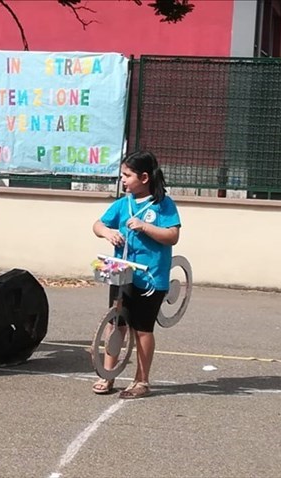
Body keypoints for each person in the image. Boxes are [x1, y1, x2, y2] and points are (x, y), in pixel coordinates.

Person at [91, 150, 181, 399]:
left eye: (127, 175)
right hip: (122, 275)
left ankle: (142, 380)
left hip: (151, 278)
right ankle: (107, 374)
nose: (123, 180)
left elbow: (172, 235)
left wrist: (145, 227)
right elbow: (98, 224)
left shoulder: (163, 204)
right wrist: (107, 233)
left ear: (144, 177)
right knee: (116, 323)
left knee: (142, 329)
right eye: (122, 175)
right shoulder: (122, 204)